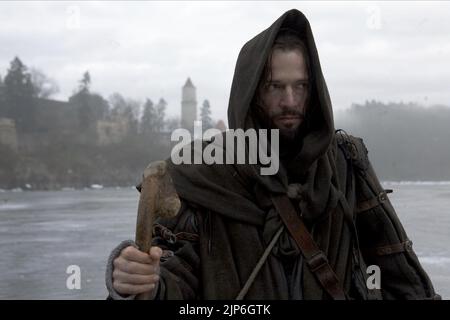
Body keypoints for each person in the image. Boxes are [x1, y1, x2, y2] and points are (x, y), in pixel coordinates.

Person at [105, 9, 440, 300]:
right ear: (250, 93)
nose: (291, 101)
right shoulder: (203, 174)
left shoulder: (345, 162)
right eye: (275, 87)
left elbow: (400, 277)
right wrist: (139, 282)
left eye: (301, 86)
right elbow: (172, 277)